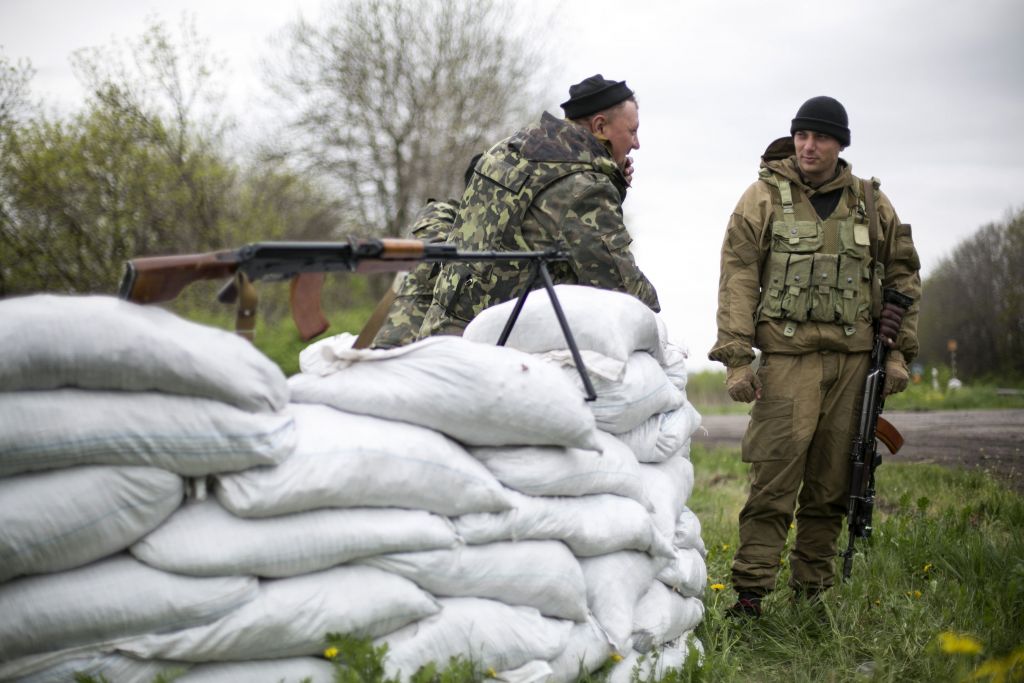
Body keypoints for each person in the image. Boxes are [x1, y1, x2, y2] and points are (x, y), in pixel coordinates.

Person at [708, 96, 922, 616]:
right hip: (786, 362)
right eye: (802, 135)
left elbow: (902, 279)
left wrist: (898, 356)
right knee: (773, 483)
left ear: (840, 144)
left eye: (821, 137)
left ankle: (812, 596)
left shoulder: (872, 203)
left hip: (854, 365)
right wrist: (737, 358)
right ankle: (751, 595)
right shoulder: (760, 198)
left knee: (832, 485)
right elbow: (737, 278)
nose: (809, 145)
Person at [417, 74, 659, 339]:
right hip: (492, 349)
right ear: (600, 126)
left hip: (440, 331)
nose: (636, 143)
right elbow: (624, 290)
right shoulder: (585, 188)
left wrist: (613, 180)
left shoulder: (508, 150)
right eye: (632, 131)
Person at [368, 154, 482, 349]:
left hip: (451, 345)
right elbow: (431, 270)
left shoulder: (491, 228)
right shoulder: (441, 212)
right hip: (406, 342)